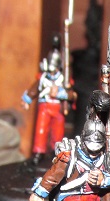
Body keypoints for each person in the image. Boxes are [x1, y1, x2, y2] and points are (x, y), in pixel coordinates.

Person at [21, 36, 76, 165]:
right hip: (44, 106)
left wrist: (62, 93)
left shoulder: (64, 80)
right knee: (41, 130)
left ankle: (55, 152)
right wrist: (27, 99)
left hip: (58, 108)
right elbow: (34, 89)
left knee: (58, 132)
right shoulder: (43, 78)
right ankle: (38, 152)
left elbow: (71, 95)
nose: (51, 73)